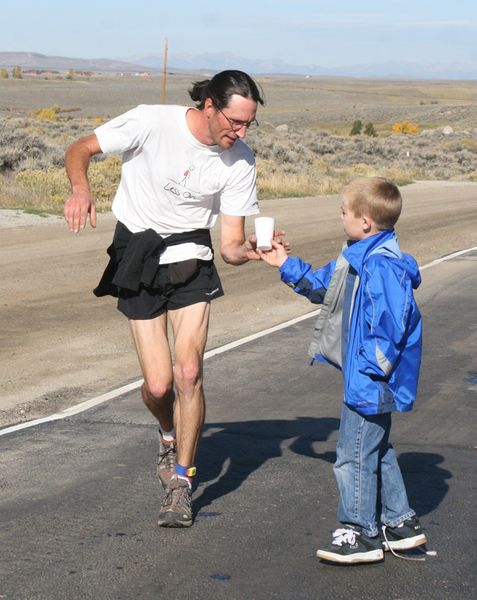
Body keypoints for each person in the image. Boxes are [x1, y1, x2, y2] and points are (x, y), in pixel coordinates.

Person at [64, 70, 282, 528]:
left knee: (189, 372)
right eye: (235, 122)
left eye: (248, 125)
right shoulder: (150, 122)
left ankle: (181, 482)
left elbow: (228, 246)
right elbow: (79, 149)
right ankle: (167, 433)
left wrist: (255, 253)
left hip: (192, 259)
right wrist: (81, 187)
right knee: (160, 385)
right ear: (209, 105)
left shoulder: (239, 161)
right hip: (138, 253)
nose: (240, 133)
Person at [259, 176, 427, 564]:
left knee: (352, 455)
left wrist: (371, 369)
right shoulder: (358, 257)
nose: (340, 217)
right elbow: (325, 287)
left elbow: (392, 324)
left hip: (369, 380)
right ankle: (400, 523)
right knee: (376, 448)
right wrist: (284, 262)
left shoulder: (382, 265)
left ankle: (359, 532)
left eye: (344, 212)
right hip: (366, 376)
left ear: (365, 221)